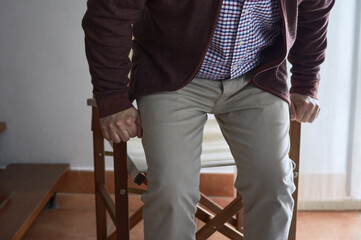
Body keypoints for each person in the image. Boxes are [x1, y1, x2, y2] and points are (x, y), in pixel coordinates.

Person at [82, 0, 335, 239]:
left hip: (258, 74)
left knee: (274, 185)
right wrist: (112, 96)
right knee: (172, 192)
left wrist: (305, 82)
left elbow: (314, 12)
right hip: (170, 74)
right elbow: (110, 11)